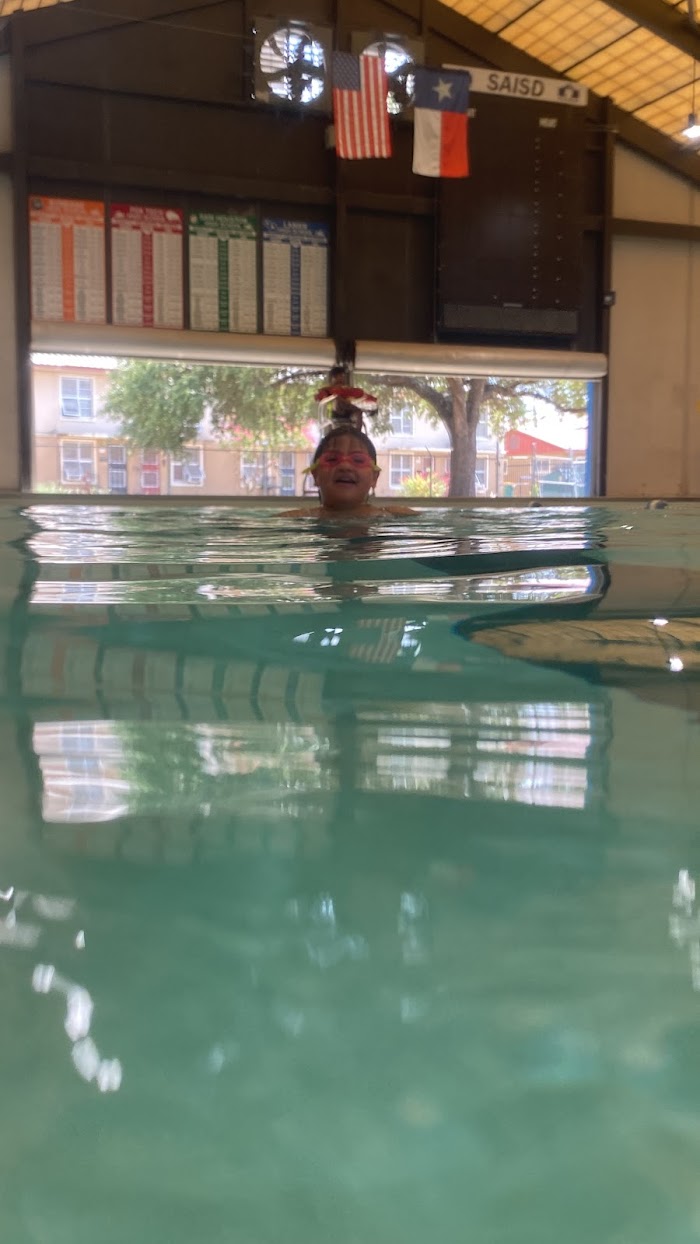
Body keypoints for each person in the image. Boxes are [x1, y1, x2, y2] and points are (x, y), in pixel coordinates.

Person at [281, 426, 415, 518]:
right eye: (332, 459)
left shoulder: (395, 514)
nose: (345, 466)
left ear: (374, 478)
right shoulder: (297, 518)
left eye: (358, 460)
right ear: (316, 475)